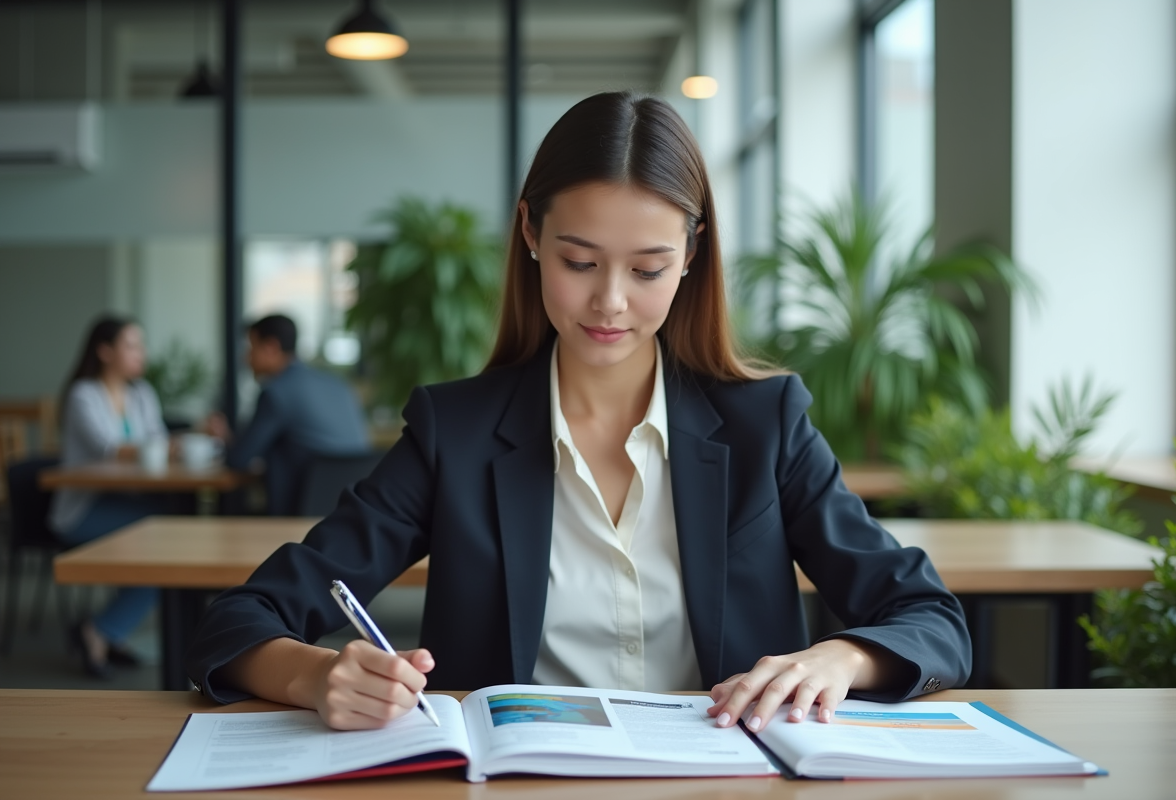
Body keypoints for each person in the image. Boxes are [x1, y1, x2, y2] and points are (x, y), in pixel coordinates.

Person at [187, 92, 970, 733]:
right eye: (579, 261)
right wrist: (319, 673)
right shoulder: (453, 433)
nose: (611, 302)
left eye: (649, 268)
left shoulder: (767, 425)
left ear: (691, 255)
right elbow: (240, 620)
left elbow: (928, 617)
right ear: (530, 233)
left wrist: (839, 659)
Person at [51, 316, 175, 678]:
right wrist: (170, 445)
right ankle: (99, 631)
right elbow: (108, 448)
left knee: (170, 538)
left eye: (142, 345)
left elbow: (159, 440)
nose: (142, 353)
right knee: (167, 550)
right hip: (84, 510)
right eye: (132, 345)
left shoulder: (141, 393)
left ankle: (110, 631)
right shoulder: (83, 394)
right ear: (105, 351)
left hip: (128, 504)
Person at [206, 314, 370, 515]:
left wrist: (223, 437)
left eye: (251, 348)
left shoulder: (277, 392)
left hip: (297, 518)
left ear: (271, 347)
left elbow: (239, 459)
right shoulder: (339, 385)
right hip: (350, 510)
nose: (246, 357)